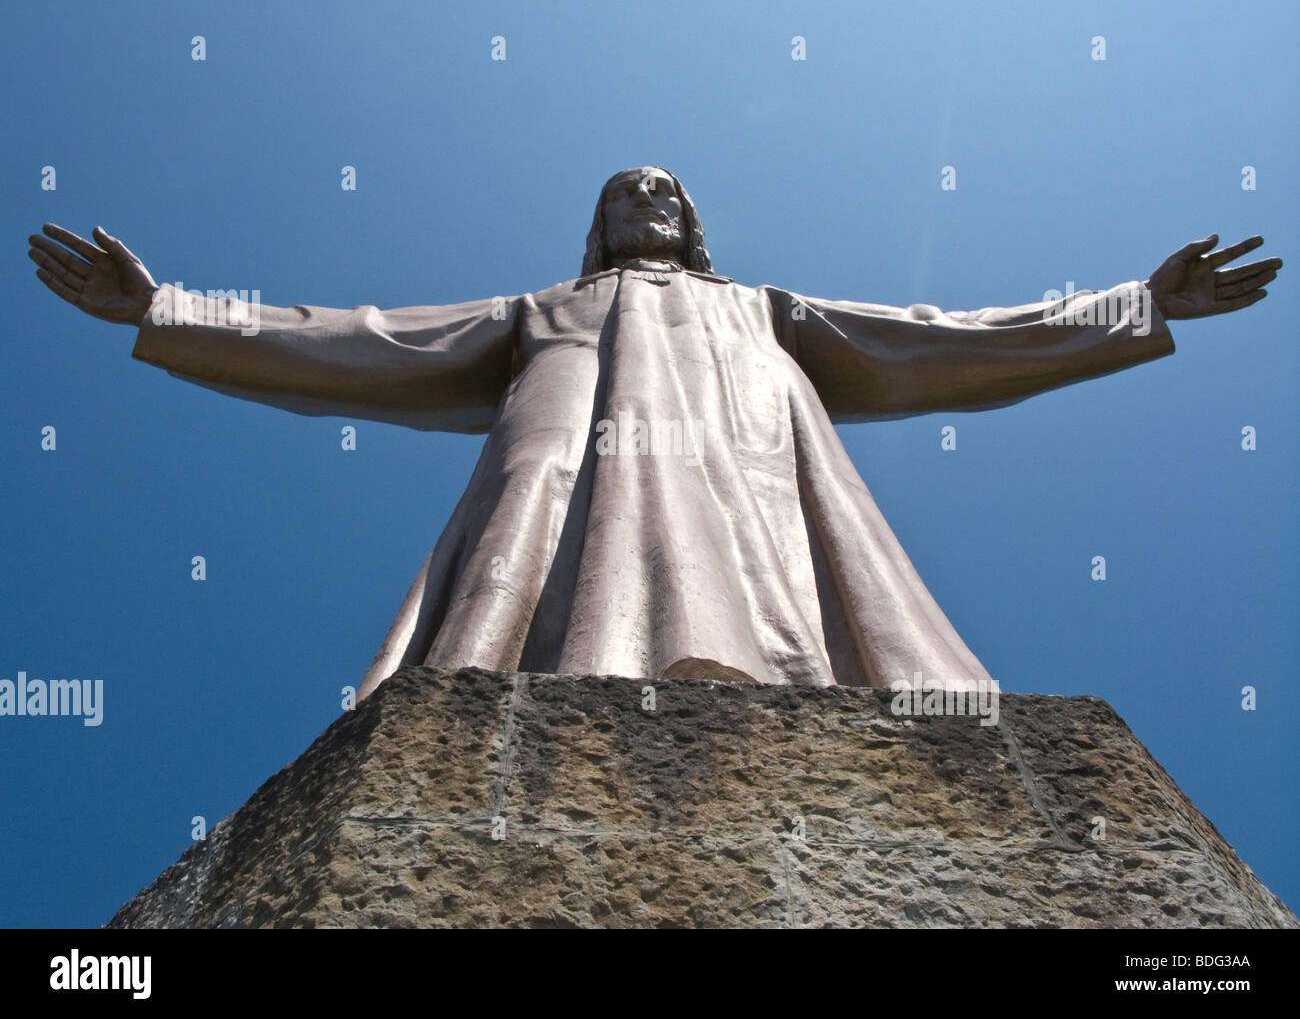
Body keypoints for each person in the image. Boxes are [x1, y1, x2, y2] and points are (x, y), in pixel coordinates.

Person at [28, 167, 1282, 701]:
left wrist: (1135, 303)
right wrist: (172, 307)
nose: (649, 203)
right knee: (542, 573)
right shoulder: (549, 312)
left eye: (667, 194)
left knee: (800, 607)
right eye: (627, 194)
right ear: (598, 227)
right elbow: (365, 337)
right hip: (568, 470)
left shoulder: (760, 310)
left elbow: (941, 334)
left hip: (758, 475)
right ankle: (515, 694)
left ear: (691, 222)